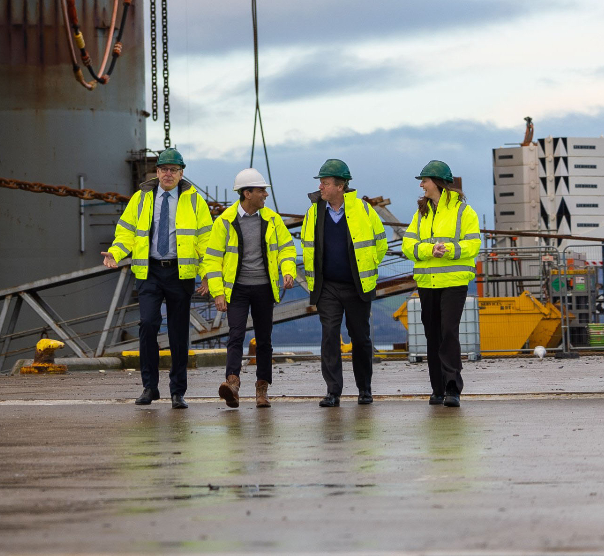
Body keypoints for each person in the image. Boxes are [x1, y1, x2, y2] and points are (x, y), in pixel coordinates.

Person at [104, 147, 210, 408]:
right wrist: (116, 253)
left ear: (181, 173)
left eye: (173, 169)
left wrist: (208, 275)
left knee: (177, 333)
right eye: (164, 169)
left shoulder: (195, 200)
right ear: (157, 172)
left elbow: (206, 241)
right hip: (150, 271)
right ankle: (150, 387)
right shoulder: (141, 198)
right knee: (148, 325)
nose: (168, 174)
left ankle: (177, 391)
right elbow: (126, 231)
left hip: (180, 272)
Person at [202, 168, 298, 408]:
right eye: (261, 190)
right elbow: (212, 259)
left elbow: (287, 248)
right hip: (237, 290)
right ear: (247, 193)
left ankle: (261, 390)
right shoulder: (224, 221)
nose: (265, 194)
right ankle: (232, 385)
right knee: (235, 335)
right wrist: (218, 292)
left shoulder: (273, 220)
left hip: (265, 288)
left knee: (264, 340)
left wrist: (288, 270)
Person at [301, 158, 388, 407]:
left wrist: (367, 264)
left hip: (356, 285)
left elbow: (380, 242)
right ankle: (333, 391)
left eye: (325, 182)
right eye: (320, 182)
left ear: (340, 186)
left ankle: (365, 389)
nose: (321, 187)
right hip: (327, 286)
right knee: (329, 335)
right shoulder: (313, 212)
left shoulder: (363, 210)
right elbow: (308, 249)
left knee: (360, 337)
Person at [403, 160, 482, 407]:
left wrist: (447, 249)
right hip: (427, 283)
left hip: (453, 282)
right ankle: (437, 389)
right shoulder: (421, 213)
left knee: (448, 332)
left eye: (424, 180)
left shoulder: (463, 211)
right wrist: (429, 250)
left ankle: (452, 388)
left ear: (436, 182)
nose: (421, 185)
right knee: (432, 335)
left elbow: (473, 244)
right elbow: (408, 245)